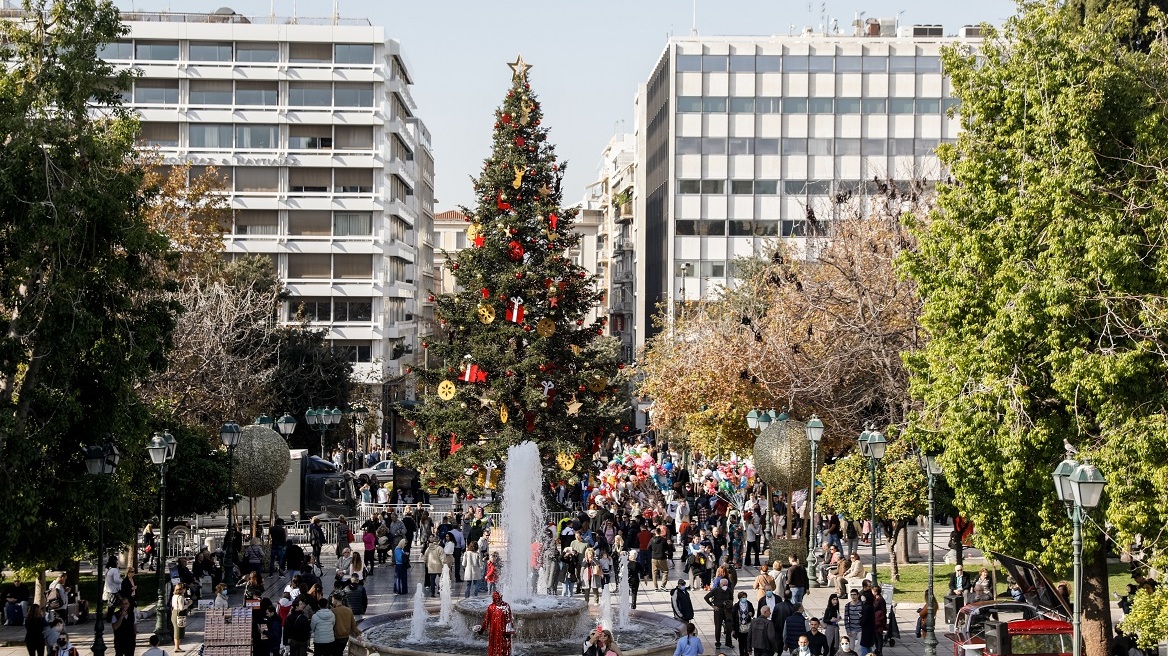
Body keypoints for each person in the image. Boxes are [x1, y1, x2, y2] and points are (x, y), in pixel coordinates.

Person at [474, 591, 516, 656]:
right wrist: (481, 629)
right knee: (499, 645)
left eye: (499, 599)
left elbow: (509, 619)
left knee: (500, 645)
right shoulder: (493, 607)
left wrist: (510, 629)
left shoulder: (504, 606)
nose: (498, 600)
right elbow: (486, 620)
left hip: (500, 631)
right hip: (497, 631)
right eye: (497, 599)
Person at [703, 573, 735, 649]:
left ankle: (728, 642)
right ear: (720, 584)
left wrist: (729, 604)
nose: (725, 586)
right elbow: (706, 597)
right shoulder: (716, 590)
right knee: (718, 627)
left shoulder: (729, 591)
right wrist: (712, 605)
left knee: (729, 626)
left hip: (727, 611)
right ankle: (718, 642)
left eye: (726, 585)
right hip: (718, 610)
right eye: (723, 585)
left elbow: (731, 599)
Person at [330, 591, 361, 656]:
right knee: (340, 652)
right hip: (345, 637)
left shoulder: (333, 611)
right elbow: (353, 625)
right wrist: (358, 634)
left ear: (335, 601)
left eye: (332, 600)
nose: (332, 602)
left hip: (336, 637)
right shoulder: (349, 610)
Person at [649, 526, 672, 591]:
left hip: (654, 557)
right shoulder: (663, 540)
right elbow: (667, 548)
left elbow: (648, 547)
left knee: (654, 572)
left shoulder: (651, 540)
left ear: (655, 532)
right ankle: (663, 585)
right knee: (665, 571)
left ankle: (655, 587)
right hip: (662, 557)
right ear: (660, 532)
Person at [734, 591, 755, 656]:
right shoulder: (736, 606)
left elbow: (753, 611)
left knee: (747, 641)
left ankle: (747, 653)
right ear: (739, 598)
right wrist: (733, 628)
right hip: (740, 627)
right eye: (743, 597)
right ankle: (741, 653)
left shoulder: (749, 604)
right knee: (741, 642)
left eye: (745, 597)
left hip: (747, 626)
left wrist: (751, 613)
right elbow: (733, 617)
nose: (744, 598)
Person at [170, 583, 189, 652]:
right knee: (178, 631)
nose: (185, 590)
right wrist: (188, 604)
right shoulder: (180, 597)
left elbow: (173, 605)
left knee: (177, 629)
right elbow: (181, 608)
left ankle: (177, 646)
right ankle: (176, 647)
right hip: (179, 614)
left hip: (174, 612)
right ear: (181, 589)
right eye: (184, 589)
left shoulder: (174, 596)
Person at [858, 590, 876, 656]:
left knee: (864, 648)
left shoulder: (868, 607)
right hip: (870, 630)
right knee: (869, 647)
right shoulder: (871, 606)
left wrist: (860, 620)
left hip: (867, 630)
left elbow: (864, 620)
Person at [872, 587, 887, 655]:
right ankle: (877, 648)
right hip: (876, 620)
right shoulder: (876, 599)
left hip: (879, 620)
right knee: (875, 635)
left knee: (878, 635)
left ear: (876, 592)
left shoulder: (880, 600)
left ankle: (879, 650)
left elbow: (876, 608)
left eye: (872, 591)